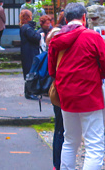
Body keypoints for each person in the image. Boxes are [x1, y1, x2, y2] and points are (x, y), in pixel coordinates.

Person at [48, 2, 105, 170]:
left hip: (66, 97)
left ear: (66, 19)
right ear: (84, 18)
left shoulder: (56, 40)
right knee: (94, 144)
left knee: (70, 140)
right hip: (90, 96)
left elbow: (51, 71)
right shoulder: (93, 37)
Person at [45, 22, 64, 170]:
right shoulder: (61, 52)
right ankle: (59, 163)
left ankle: (57, 164)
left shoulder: (50, 51)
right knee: (62, 130)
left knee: (59, 128)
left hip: (55, 91)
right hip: (62, 91)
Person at [19, 9, 41, 80]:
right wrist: (40, 35)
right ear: (29, 17)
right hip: (31, 52)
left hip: (26, 52)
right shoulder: (28, 28)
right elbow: (35, 37)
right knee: (31, 71)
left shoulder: (23, 27)